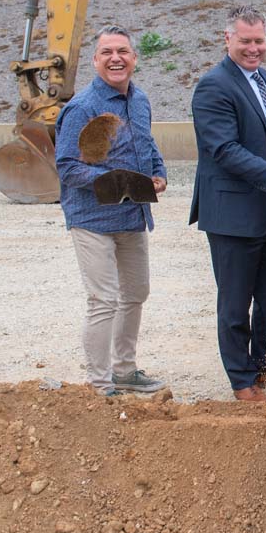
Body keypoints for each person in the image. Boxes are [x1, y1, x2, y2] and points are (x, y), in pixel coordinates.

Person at [190, 6, 266, 403]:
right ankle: (242, 381)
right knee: (236, 303)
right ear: (228, 40)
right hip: (234, 214)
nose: (254, 49)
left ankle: (265, 365)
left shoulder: (263, 78)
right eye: (245, 41)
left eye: (259, 41)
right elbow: (224, 149)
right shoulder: (213, 87)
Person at [55, 25, 168, 397]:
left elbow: (147, 146)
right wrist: (116, 181)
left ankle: (124, 370)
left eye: (122, 51)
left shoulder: (140, 101)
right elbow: (68, 166)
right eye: (107, 53)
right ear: (95, 60)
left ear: (134, 58)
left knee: (135, 292)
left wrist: (158, 173)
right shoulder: (82, 107)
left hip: (131, 216)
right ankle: (99, 385)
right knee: (103, 300)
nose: (115, 58)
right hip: (93, 221)